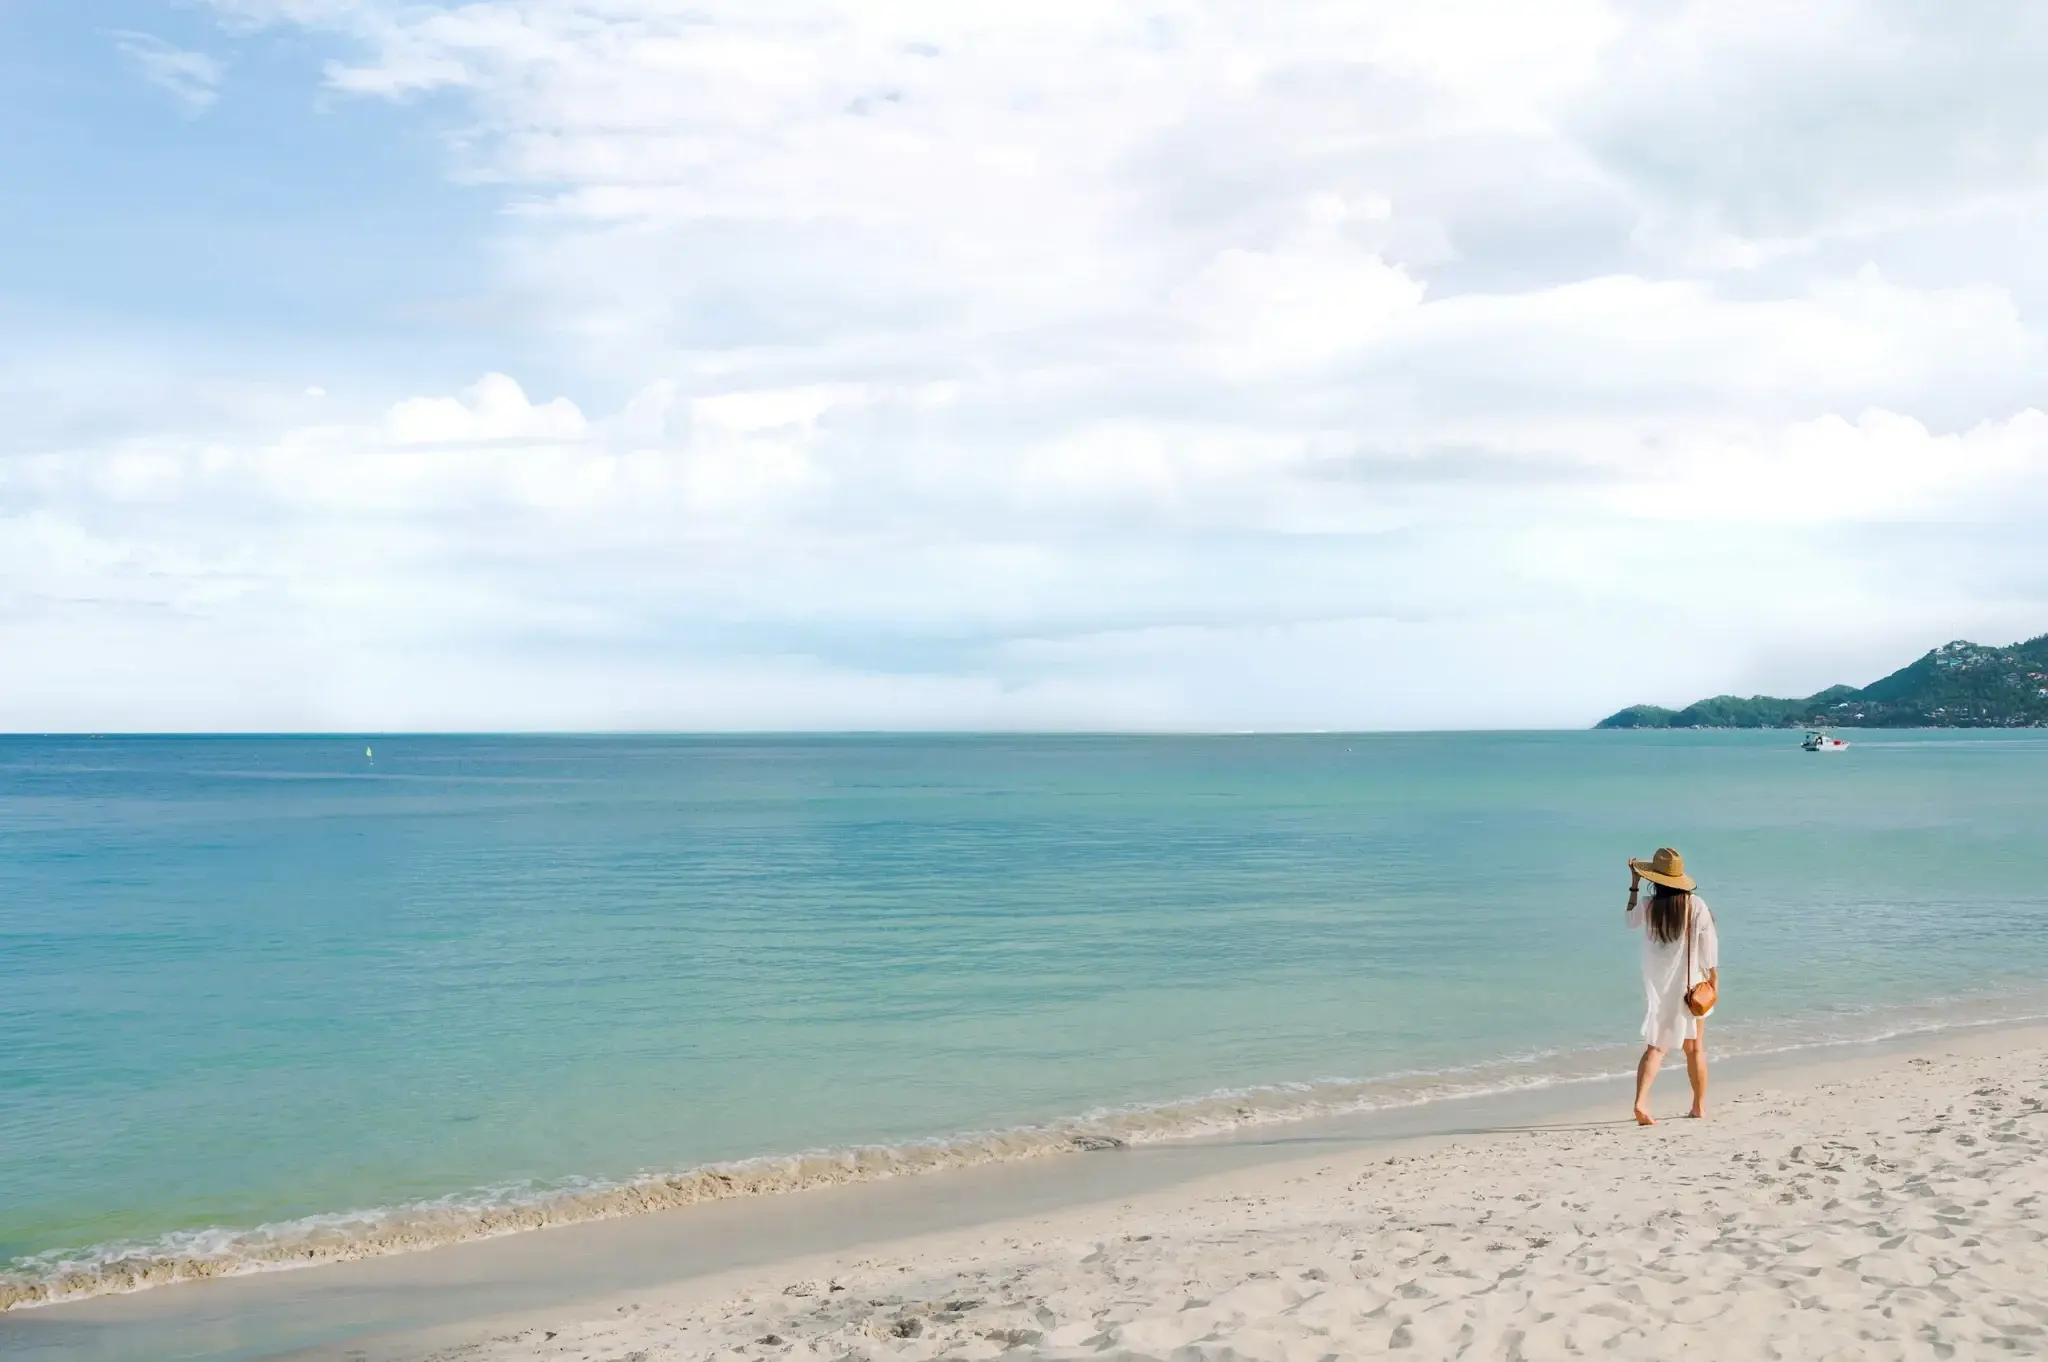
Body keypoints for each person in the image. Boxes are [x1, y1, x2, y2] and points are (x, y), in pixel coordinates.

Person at [1624, 847, 1718, 1125]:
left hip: (1661, 989)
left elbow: (1629, 921)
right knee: (1695, 1048)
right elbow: (1708, 947)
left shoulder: (1648, 905)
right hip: (1691, 988)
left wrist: (1634, 884)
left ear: (1655, 878)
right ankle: (1698, 1106)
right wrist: (1713, 979)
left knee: (1655, 1048)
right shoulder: (1696, 905)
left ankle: (1641, 1103)